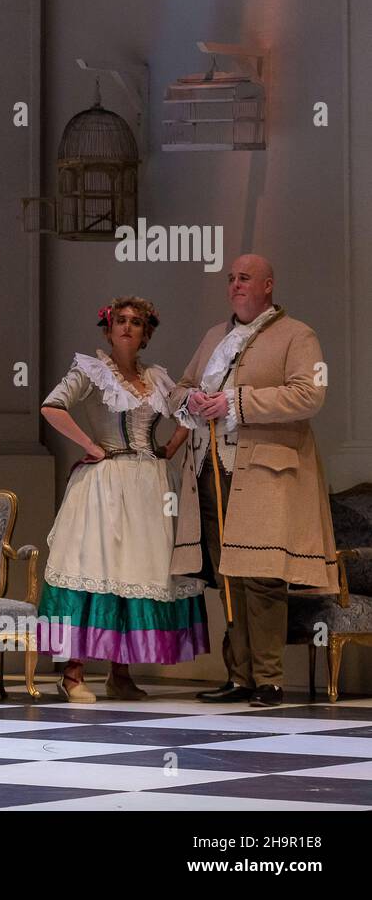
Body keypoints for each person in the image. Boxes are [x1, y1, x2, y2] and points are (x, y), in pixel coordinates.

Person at [173, 254, 340, 708]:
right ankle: (239, 676)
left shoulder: (297, 335)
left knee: (262, 575)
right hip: (210, 466)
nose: (235, 285)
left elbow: (310, 394)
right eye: (231, 279)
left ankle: (268, 679)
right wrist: (192, 400)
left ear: (268, 284)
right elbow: (183, 385)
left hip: (265, 470)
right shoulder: (215, 335)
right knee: (228, 576)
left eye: (244, 278)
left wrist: (235, 402)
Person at [39, 297, 208, 703]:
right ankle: (73, 673)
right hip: (105, 482)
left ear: (146, 332)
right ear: (109, 328)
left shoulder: (156, 378)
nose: (128, 327)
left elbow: (187, 414)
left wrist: (169, 446)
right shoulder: (92, 370)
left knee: (137, 570)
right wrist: (90, 445)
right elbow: (51, 406)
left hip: (149, 483)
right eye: (121, 321)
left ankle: (121, 673)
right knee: (96, 565)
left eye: (136, 322)